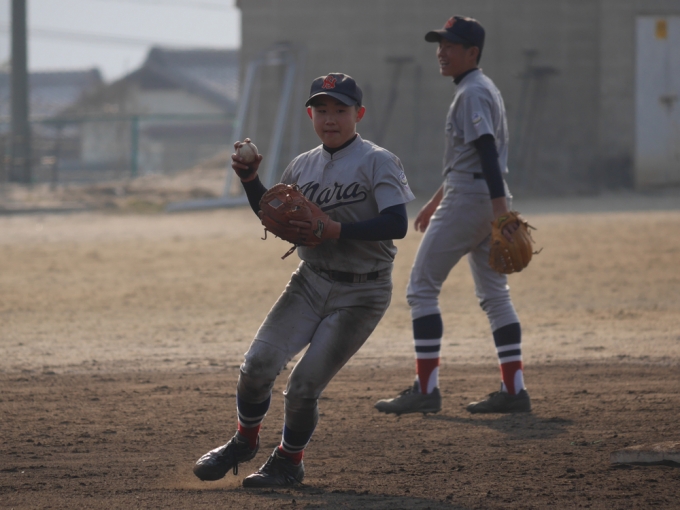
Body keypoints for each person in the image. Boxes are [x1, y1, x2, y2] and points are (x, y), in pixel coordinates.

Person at [193, 73, 415, 487]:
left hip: (362, 292)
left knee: (302, 387)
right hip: (309, 281)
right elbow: (274, 214)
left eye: (341, 110)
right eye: (322, 110)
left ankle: (288, 462)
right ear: (310, 114)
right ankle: (243, 441)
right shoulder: (302, 164)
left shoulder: (378, 160)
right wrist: (250, 180)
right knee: (256, 367)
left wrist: (335, 229)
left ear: (359, 114)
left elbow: (397, 223)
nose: (330, 118)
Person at [374, 16, 531, 416]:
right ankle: (514, 391)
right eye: (439, 45)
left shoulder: (472, 92)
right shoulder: (481, 87)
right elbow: (472, 157)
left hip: (472, 200)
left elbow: (486, 151)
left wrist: (500, 213)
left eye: (451, 45)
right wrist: (436, 202)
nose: (441, 52)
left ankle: (426, 390)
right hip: (476, 195)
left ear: (472, 52)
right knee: (495, 295)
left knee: (421, 289)